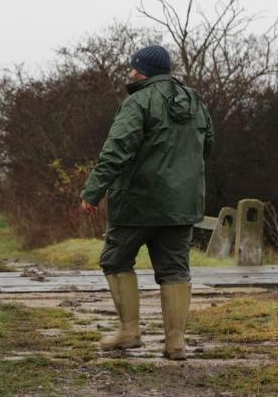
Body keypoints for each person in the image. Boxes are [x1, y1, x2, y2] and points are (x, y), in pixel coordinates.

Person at [80, 45, 214, 360]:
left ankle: (129, 332)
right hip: (180, 205)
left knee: (115, 260)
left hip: (137, 203)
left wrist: (93, 191)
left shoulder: (138, 101)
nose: (129, 72)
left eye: (132, 67)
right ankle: (176, 342)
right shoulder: (195, 102)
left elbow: (116, 150)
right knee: (175, 269)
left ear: (142, 71)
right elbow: (207, 146)